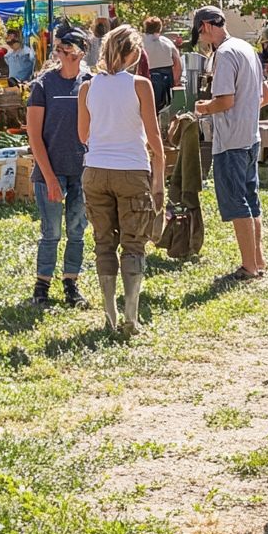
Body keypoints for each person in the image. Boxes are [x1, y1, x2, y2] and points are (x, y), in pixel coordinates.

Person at [78, 25, 164, 335]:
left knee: (104, 243)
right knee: (133, 244)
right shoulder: (140, 85)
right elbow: (153, 135)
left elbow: (83, 135)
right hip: (131, 169)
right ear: (131, 53)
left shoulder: (87, 87)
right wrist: (160, 169)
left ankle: (110, 315)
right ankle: (131, 316)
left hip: (96, 170)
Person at [192, 6, 268, 280]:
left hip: (231, 141)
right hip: (251, 137)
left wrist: (203, 108)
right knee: (251, 200)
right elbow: (267, 96)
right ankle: (258, 261)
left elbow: (226, 101)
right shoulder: (246, 48)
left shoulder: (224, 54)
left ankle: (249, 267)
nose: (201, 38)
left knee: (238, 204)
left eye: (199, 32)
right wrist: (246, 112)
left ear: (205, 26)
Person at [27, 26, 93, 309]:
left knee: (77, 230)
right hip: (50, 171)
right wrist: (51, 178)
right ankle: (42, 286)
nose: (61, 52)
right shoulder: (43, 85)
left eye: (67, 47)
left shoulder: (91, 83)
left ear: (79, 51)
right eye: (59, 47)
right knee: (51, 231)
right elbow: (34, 134)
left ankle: (71, 283)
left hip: (83, 171)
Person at [141, 16, 182, 112]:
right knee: (165, 107)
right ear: (160, 28)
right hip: (166, 76)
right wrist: (176, 80)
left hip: (148, 76)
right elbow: (177, 61)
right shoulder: (166, 42)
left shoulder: (140, 42)